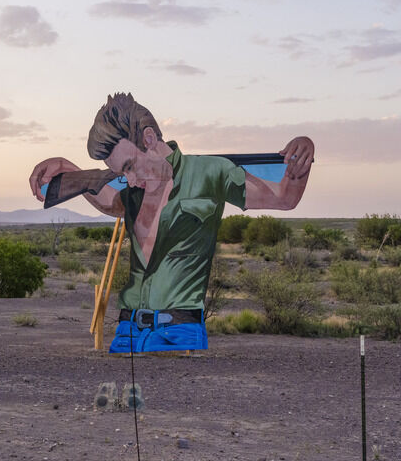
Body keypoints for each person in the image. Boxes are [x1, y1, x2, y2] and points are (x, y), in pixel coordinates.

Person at [29, 92, 314, 353]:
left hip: (179, 333)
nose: (128, 179)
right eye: (120, 173)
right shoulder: (131, 192)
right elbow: (106, 200)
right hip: (127, 331)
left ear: (149, 139)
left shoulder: (210, 172)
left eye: (129, 166)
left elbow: (282, 198)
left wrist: (304, 149)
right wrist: (67, 168)